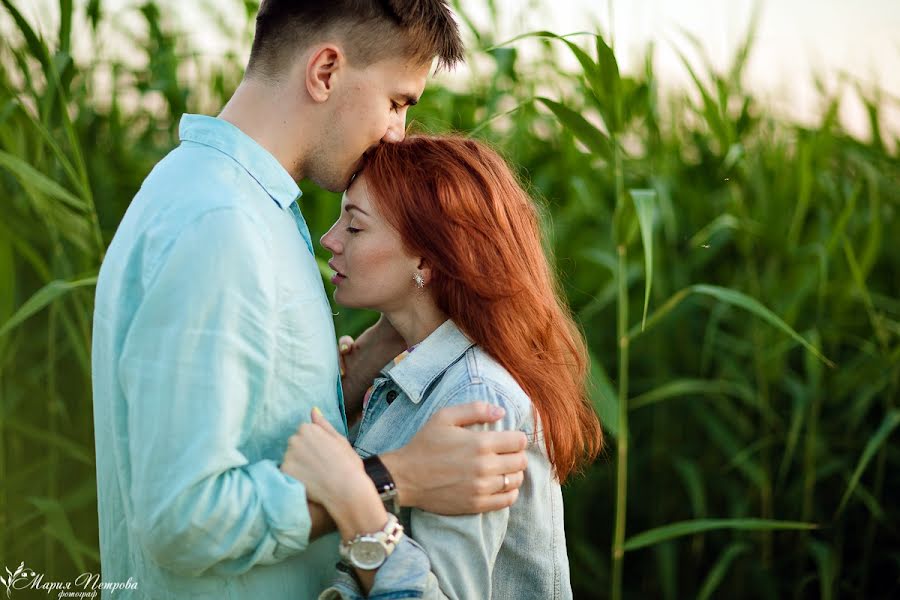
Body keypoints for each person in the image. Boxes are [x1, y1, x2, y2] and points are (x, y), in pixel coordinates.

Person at [91, 2, 528, 599]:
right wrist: (393, 479)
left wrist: (356, 372)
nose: (398, 132)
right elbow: (181, 519)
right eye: (397, 102)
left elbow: (250, 428)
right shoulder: (219, 225)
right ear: (325, 71)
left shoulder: (238, 204)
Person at [280, 135, 604, 599]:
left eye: (354, 227)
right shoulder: (404, 373)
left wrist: (357, 501)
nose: (329, 240)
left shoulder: (475, 401)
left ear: (427, 258)